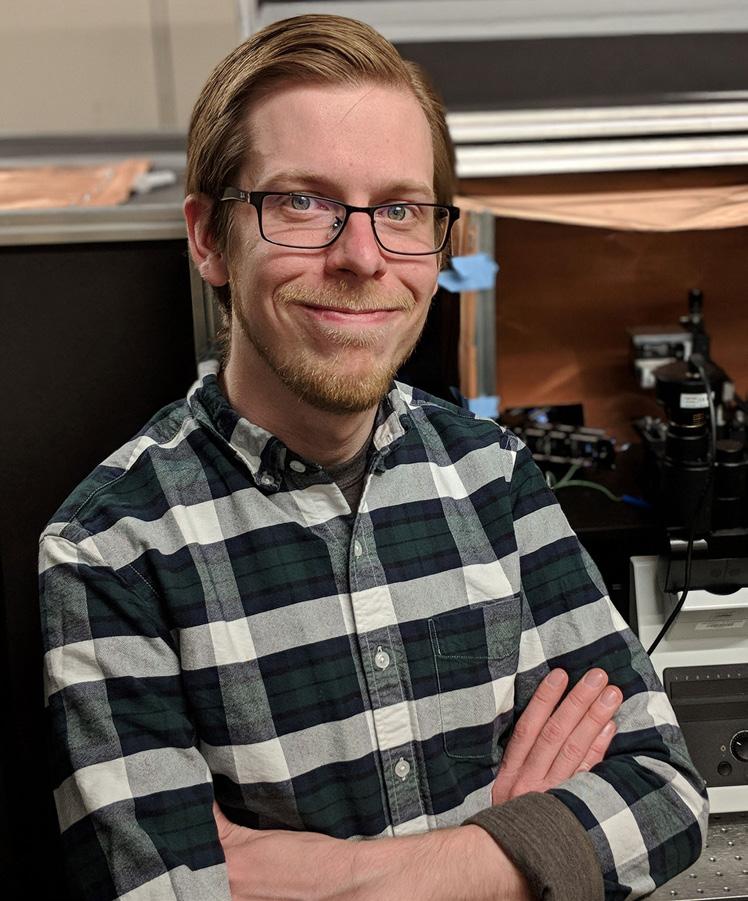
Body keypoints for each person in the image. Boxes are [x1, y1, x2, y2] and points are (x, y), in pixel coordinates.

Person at [40, 14, 707, 901]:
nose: (363, 256)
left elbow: (664, 791)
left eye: (399, 209)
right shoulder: (110, 549)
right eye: (302, 201)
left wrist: (354, 876)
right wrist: (523, 851)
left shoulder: (492, 474)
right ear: (208, 239)